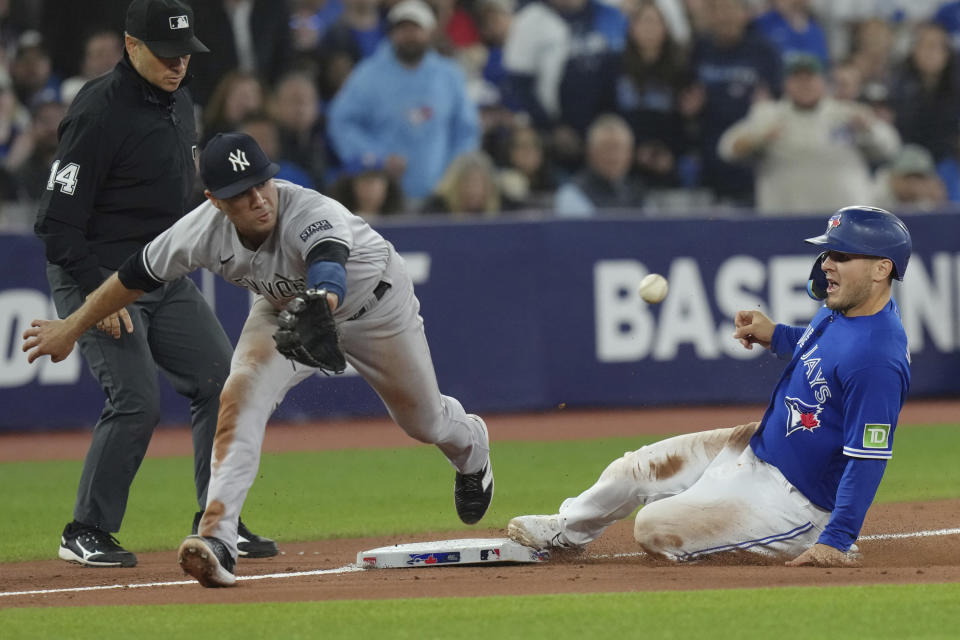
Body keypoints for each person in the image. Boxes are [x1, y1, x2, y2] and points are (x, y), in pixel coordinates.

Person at [23, 132, 495, 588]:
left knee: (424, 422)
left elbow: (328, 261)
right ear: (214, 200)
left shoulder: (309, 209)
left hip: (376, 307)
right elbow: (132, 276)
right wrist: (73, 325)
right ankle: (219, 537)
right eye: (240, 194)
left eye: (261, 183)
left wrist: (322, 304)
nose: (258, 199)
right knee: (239, 392)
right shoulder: (200, 231)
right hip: (282, 310)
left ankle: (472, 447)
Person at [508, 206, 912, 568]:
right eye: (827, 253)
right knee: (633, 468)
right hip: (757, 444)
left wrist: (836, 541)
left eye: (841, 255)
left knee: (654, 529)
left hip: (795, 501)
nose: (826, 263)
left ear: (881, 269)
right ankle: (567, 531)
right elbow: (819, 347)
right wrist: (775, 335)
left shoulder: (878, 358)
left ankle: (798, 540)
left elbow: (868, 457)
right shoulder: (843, 308)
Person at [32, 0, 274, 568]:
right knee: (136, 399)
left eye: (185, 52)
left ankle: (218, 520)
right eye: (166, 53)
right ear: (131, 46)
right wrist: (97, 297)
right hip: (92, 272)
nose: (178, 63)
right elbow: (55, 222)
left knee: (223, 380)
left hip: (157, 271)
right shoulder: (96, 110)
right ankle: (85, 528)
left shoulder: (180, 102)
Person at [327, 0, 480, 202]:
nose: (409, 36)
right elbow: (341, 122)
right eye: (402, 29)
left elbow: (467, 130)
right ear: (391, 33)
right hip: (384, 198)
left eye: (416, 28)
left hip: (441, 196)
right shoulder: (367, 75)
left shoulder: (449, 75)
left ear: (430, 32)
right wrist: (376, 158)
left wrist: (454, 172)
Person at [717, 53, 900, 215]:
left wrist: (868, 130)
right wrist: (759, 138)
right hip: (787, 221)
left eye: (810, 78)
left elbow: (891, 146)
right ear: (786, 83)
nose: (804, 84)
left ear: (823, 82)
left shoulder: (847, 113)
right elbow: (727, 149)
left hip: (845, 225)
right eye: (797, 78)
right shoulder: (768, 115)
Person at [554, 113, 644, 217]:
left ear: (630, 153)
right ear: (590, 152)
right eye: (606, 148)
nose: (613, 156)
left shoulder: (638, 193)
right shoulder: (572, 195)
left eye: (619, 148)